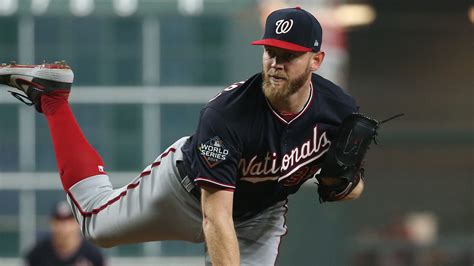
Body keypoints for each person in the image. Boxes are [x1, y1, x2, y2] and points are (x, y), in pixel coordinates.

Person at [1, 7, 364, 265]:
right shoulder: (226, 115)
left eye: (289, 55)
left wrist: (341, 182)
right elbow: (215, 217)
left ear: (316, 60)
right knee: (97, 227)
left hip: (260, 215)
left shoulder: (337, 109)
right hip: (186, 194)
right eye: (270, 52)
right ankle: (53, 100)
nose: (275, 63)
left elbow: (351, 187)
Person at [25, 201, 106, 266]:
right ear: (51, 223)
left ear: (78, 223)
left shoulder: (93, 255)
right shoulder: (38, 253)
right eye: (59, 221)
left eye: (68, 220)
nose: (64, 227)